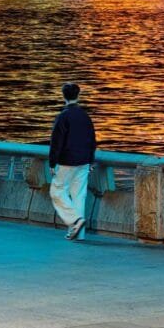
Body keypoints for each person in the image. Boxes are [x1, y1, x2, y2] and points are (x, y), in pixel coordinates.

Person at [48, 82, 97, 241]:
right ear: (78, 95)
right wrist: (90, 161)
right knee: (79, 196)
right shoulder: (85, 116)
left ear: (64, 96)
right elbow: (92, 140)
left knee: (57, 191)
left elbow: (56, 142)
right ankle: (78, 234)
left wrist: (52, 163)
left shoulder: (63, 116)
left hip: (67, 161)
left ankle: (74, 221)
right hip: (83, 162)